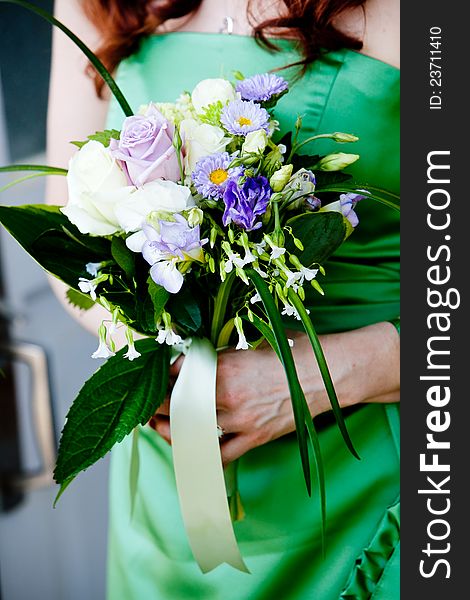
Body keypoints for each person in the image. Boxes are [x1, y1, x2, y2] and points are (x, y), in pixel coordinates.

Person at [47, 0, 400, 598]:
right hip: (171, 479)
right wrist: (178, 359)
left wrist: (313, 379)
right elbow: (66, 242)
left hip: (370, 460)